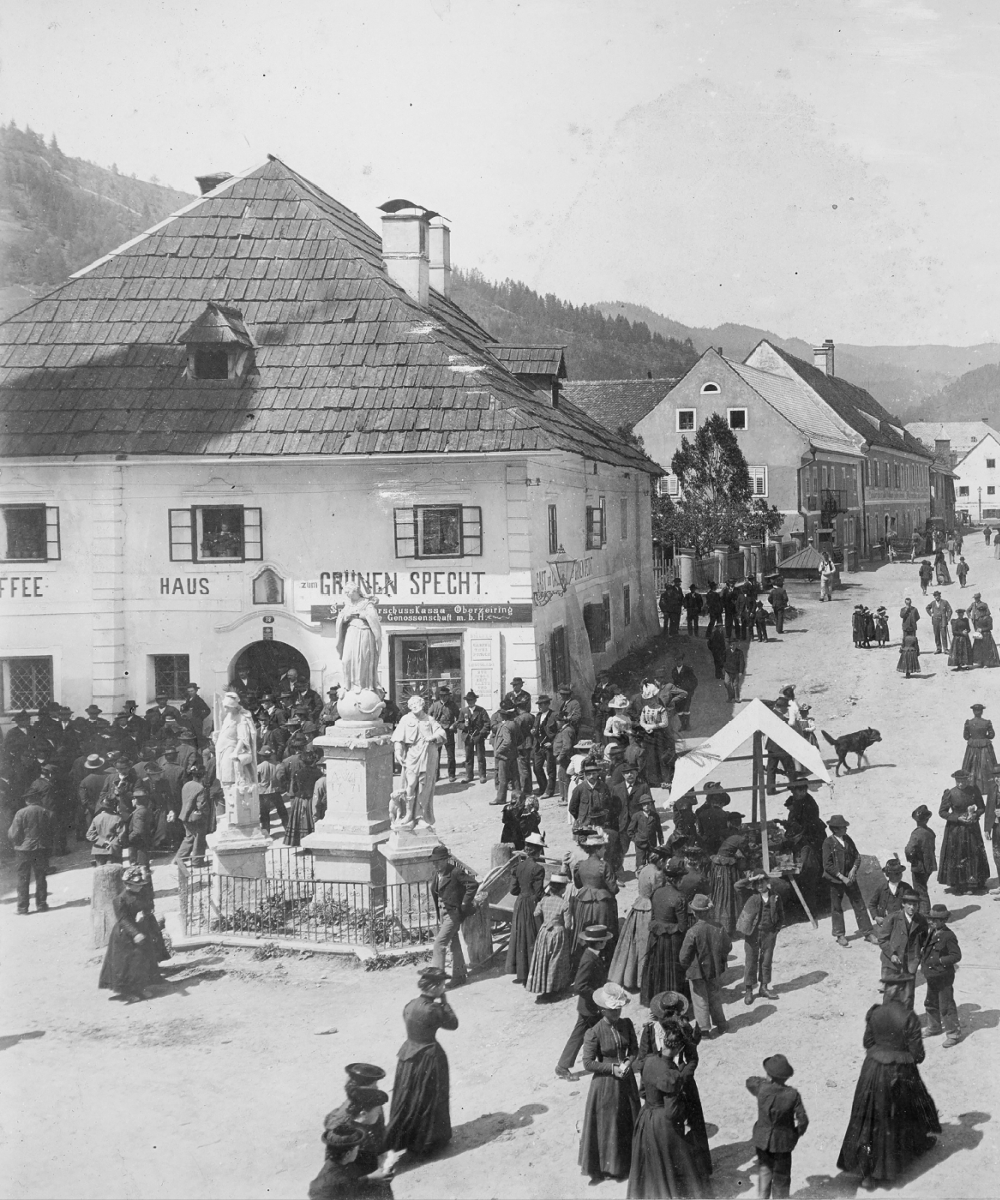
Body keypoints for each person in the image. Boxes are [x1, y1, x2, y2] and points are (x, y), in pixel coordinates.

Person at [836, 977, 941, 1189]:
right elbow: (917, 1055)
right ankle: (913, 1147)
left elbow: (868, 1043)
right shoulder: (909, 1017)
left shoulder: (875, 1012)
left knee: (868, 1119)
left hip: (872, 1070)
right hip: (898, 1072)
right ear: (902, 991)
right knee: (906, 1109)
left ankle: (867, 1174)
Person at [627, 1020, 709, 1199]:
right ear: (679, 1049)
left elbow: (643, 1092)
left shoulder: (648, 1060)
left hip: (646, 1116)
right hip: (663, 1122)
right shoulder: (671, 1073)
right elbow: (672, 1112)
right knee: (680, 1161)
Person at [383, 966, 458, 1161]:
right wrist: (445, 1002)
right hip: (429, 1057)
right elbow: (453, 1024)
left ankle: (407, 1138)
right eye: (441, 985)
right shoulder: (433, 1009)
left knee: (410, 1097)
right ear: (434, 987)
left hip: (408, 1055)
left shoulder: (410, 1005)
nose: (443, 988)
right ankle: (429, 1142)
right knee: (431, 1099)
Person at [579, 983, 639, 1185]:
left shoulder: (627, 1024)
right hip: (606, 1085)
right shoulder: (594, 1032)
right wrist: (613, 1068)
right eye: (613, 1010)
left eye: (619, 1009)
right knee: (609, 1125)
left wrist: (628, 1063)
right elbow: (588, 1063)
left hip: (626, 1081)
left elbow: (634, 1049)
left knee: (627, 1120)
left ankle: (629, 1163)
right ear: (602, 1010)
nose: (617, 1013)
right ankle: (610, 1168)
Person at [98, 866, 168, 1000]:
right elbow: (123, 920)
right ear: (128, 884)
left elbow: (147, 908)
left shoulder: (141, 894)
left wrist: (146, 916)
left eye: (141, 885)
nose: (140, 887)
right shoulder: (120, 900)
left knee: (141, 961)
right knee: (128, 965)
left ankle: (141, 988)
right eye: (137, 885)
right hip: (126, 936)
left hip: (142, 930)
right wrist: (135, 933)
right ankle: (129, 992)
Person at [745, 1054, 808, 1200]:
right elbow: (803, 1121)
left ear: (769, 1075)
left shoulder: (761, 1088)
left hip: (762, 1140)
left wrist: (767, 1080)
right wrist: (794, 1134)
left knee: (764, 1172)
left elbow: (750, 1081)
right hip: (783, 1142)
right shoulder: (793, 1094)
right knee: (782, 1177)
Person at [555, 923, 614, 1079]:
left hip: (592, 1006)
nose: (605, 942)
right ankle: (562, 1066)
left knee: (597, 1031)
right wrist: (597, 995)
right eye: (604, 940)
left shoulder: (593, 954)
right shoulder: (589, 959)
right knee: (582, 1034)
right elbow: (579, 986)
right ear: (599, 943)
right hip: (590, 1006)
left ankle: (603, 1061)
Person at [678, 894, 731, 1036]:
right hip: (713, 968)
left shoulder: (692, 931)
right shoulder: (718, 927)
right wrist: (719, 959)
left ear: (695, 913)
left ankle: (704, 1030)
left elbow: (683, 956)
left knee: (699, 999)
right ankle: (721, 1024)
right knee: (715, 996)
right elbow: (728, 946)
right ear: (708, 911)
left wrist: (686, 967)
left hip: (697, 972)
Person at [392, 696, 446, 827]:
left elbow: (441, 733)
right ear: (409, 707)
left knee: (423, 786)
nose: (415, 706)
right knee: (410, 784)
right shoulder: (405, 719)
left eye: (417, 704)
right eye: (412, 705)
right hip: (411, 755)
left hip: (426, 756)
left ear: (422, 705)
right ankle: (408, 814)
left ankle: (420, 816)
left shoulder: (429, 719)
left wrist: (433, 737)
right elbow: (398, 739)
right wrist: (398, 752)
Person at [822, 814, 876, 947]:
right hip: (836, 881)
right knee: (837, 907)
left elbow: (857, 856)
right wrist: (842, 877)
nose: (846, 829)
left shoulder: (847, 839)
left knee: (859, 904)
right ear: (835, 829)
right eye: (843, 827)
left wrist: (853, 870)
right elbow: (827, 865)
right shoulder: (828, 843)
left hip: (850, 879)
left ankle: (868, 933)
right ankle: (840, 935)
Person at [938, 768, 989, 893]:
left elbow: (982, 807)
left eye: (963, 781)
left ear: (968, 780)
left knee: (973, 853)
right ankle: (959, 884)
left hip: (972, 828)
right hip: (956, 829)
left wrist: (975, 815)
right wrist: (957, 818)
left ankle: (973, 884)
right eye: (958, 781)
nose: (961, 784)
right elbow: (942, 812)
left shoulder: (974, 791)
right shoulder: (950, 793)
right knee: (958, 854)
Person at [919, 904, 963, 1047]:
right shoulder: (932, 931)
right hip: (932, 974)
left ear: (944, 920)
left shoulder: (949, 936)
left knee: (946, 1005)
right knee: (930, 1002)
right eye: (931, 919)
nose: (932, 922)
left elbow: (956, 955)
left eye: (936, 920)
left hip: (944, 976)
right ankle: (934, 1027)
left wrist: (940, 961)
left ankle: (953, 1034)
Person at [308, 1122, 388, 1200]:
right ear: (348, 1154)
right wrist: (370, 1178)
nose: (358, 1151)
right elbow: (349, 1184)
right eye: (356, 1148)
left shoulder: (336, 1161)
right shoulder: (338, 1179)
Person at [736, 871, 783, 1005]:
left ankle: (764, 987)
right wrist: (751, 878)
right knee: (751, 960)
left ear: (767, 882)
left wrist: (776, 930)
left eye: (762, 882)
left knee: (766, 960)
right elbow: (737, 886)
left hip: (769, 933)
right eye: (757, 883)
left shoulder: (775, 896)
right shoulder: (750, 895)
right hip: (752, 933)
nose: (760, 885)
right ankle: (749, 990)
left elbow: (781, 913)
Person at [505, 833, 546, 985]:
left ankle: (521, 972)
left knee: (520, 934)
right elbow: (539, 893)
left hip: (520, 903)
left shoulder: (518, 867)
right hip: (531, 903)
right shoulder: (538, 869)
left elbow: (513, 890)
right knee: (533, 935)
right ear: (538, 851)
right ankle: (534, 970)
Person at [876, 888, 926, 1008]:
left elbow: (924, 941)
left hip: (910, 962)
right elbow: (882, 939)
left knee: (908, 995)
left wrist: (920, 956)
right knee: (890, 994)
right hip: (892, 962)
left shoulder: (921, 920)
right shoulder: (893, 918)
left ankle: (906, 1018)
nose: (912, 908)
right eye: (909, 904)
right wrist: (892, 954)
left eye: (915, 905)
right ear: (903, 904)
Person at [527, 870, 572, 1001]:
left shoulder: (544, 900)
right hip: (558, 933)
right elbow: (568, 925)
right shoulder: (565, 903)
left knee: (542, 959)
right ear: (563, 889)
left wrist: (545, 922)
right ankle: (553, 989)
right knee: (555, 961)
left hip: (544, 932)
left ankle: (543, 987)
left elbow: (536, 914)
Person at [573, 831, 620, 952]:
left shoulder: (580, 865)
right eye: (603, 848)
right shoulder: (604, 865)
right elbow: (614, 889)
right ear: (597, 850)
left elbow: (578, 885)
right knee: (602, 932)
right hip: (600, 905)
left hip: (583, 904)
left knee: (585, 931)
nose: (605, 850)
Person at [8, 792, 53, 915]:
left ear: (27, 800)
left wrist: (17, 843)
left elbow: (14, 833)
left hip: (24, 850)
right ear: (38, 799)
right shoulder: (46, 812)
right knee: (41, 876)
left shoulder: (20, 813)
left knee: (23, 878)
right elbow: (52, 831)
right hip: (41, 848)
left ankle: (23, 908)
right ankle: (42, 904)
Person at [334, 583, 383, 692]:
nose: (347, 594)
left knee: (362, 659)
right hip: (351, 632)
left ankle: (362, 686)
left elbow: (373, 618)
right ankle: (348, 685)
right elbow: (341, 617)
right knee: (346, 659)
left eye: (348, 592)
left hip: (364, 632)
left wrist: (362, 615)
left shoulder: (366, 603)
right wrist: (345, 617)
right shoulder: (348, 604)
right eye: (345, 592)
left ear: (355, 591)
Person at [283, 746, 322, 846]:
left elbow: (294, 788)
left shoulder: (298, 773)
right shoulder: (318, 773)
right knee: (310, 821)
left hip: (299, 799)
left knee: (299, 821)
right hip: (311, 799)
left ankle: (299, 842)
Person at [173, 763, 210, 867]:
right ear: (202, 775)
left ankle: (179, 859)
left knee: (189, 838)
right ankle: (197, 861)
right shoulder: (200, 788)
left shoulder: (186, 785)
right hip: (196, 818)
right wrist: (206, 813)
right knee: (199, 839)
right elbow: (201, 805)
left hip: (185, 816)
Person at [904, 805, 937, 916]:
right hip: (929, 865)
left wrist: (911, 859)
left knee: (920, 890)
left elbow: (909, 849)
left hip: (919, 866)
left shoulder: (916, 833)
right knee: (923, 888)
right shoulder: (930, 832)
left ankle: (925, 914)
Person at [962, 704, 997, 804]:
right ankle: (987, 787)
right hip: (985, 747)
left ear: (973, 711)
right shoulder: (987, 722)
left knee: (971, 766)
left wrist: (974, 737)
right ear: (982, 711)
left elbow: (966, 736)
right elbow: (991, 735)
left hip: (972, 747)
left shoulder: (969, 723)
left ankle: (972, 787)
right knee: (987, 766)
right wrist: (984, 737)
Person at [455, 690, 489, 785]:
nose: (470, 702)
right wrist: (464, 726)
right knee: (468, 757)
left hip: (478, 736)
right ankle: (469, 775)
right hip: (468, 736)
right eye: (468, 700)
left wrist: (481, 733)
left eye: (472, 700)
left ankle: (482, 775)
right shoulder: (463, 711)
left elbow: (487, 723)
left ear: (475, 700)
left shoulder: (481, 710)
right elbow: (459, 723)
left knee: (481, 757)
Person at [428, 686, 459, 783]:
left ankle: (451, 775)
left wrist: (454, 725)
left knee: (451, 755)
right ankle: (436, 775)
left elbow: (459, 718)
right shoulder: (435, 705)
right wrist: (433, 726)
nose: (443, 697)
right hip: (438, 732)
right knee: (436, 754)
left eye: (445, 696)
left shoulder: (453, 705)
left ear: (448, 696)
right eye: (441, 696)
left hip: (449, 731)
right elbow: (428, 717)